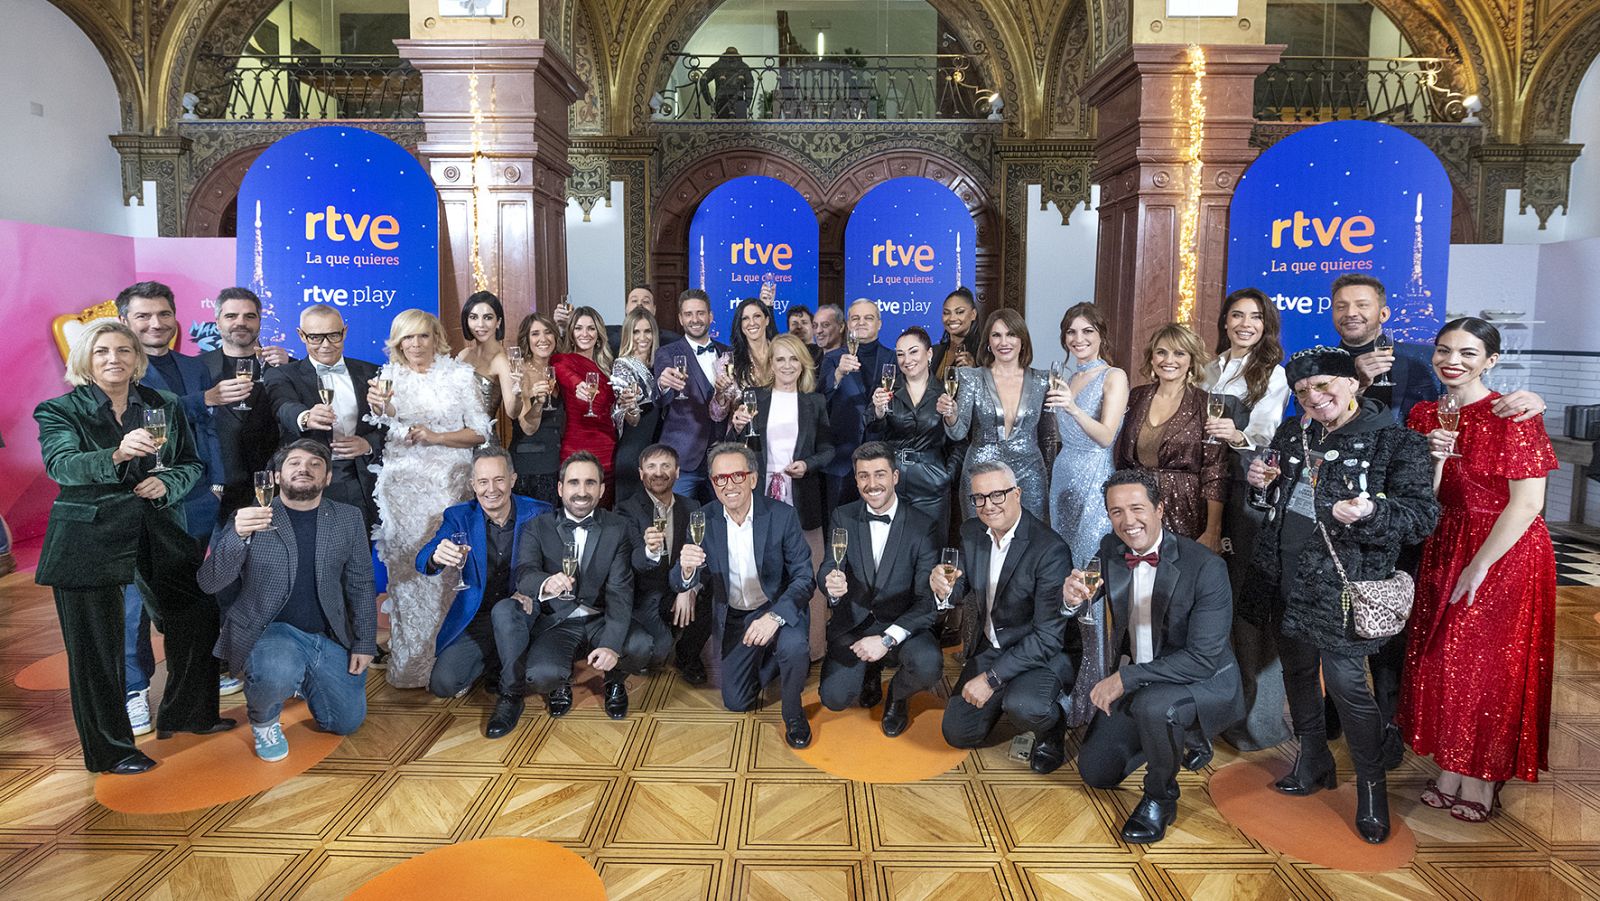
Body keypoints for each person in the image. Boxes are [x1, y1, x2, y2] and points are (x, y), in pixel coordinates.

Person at [1242, 346, 1439, 844]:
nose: (1313, 396)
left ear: (1354, 383)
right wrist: (1260, 485)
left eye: (1324, 385)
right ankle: (1313, 758)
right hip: (1282, 571)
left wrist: (1372, 513)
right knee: (1298, 671)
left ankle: (1372, 788)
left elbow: (1422, 518)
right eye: (1303, 391)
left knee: (1349, 686)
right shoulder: (1293, 432)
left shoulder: (1397, 442)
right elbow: (1275, 500)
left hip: (1342, 584)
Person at [33, 320, 229, 774]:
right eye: (102, 351)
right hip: (90, 536)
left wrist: (167, 484)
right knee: (97, 648)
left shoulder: (164, 404)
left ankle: (189, 715)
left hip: (156, 526)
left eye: (123, 350)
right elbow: (62, 466)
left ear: (137, 358)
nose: (113, 359)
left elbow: (188, 463)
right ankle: (111, 751)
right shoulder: (60, 409)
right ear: (85, 359)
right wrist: (118, 455)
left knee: (197, 612)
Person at [1400, 318, 1558, 822]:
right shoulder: (1425, 415)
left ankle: (1483, 779)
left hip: (1504, 551)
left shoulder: (1514, 415)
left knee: (1487, 667)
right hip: (1444, 542)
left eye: (1468, 353)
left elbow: (1529, 503)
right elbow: (1422, 498)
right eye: (1445, 350)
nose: (1454, 361)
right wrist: (1435, 463)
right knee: (1442, 660)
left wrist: (1480, 565)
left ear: (1490, 360)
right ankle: (1451, 768)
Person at [1070, 470, 1245, 844]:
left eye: (1137, 508)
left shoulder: (1207, 568)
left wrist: (1123, 678)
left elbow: (1202, 659)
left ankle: (1160, 798)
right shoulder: (1109, 549)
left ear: (1160, 508)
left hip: (1202, 678)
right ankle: (1180, 739)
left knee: (1154, 707)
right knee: (1096, 772)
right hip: (1146, 676)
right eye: (1116, 512)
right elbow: (1087, 588)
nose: (1128, 521)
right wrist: (1071, 597)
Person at [198, 440, 376, 762]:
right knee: (277, 667)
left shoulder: (348, 518)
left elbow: (361, 584)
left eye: (315, 464)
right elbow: (210, 582)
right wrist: (236, 537)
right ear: (278, 476)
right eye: (294, 463)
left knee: (346, 722)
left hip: (326, 637)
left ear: (328, 478)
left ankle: (304, 677)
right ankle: (265, 720)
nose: (304, 469)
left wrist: (364, 642)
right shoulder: (249, 517)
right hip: (270, 633)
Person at [117, 281, 233, 725]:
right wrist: (197, 401)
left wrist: (219, 481)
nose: (155, 323)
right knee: (134, 602)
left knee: (192, 598)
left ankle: (192, 682)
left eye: (163, 314)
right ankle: (134, 689)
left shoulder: (193, 365)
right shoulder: (117, 366)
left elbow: (209, 429)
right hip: (140, 500)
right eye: (144, 315)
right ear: (125, 320)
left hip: (198, 497)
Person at [365, 310, 491, 689]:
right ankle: (410, 665)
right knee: (407, 576)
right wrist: (381, 408)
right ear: (397, 342)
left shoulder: (459, 376)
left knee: (449, 572)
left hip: (449, 488)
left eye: (422, 336)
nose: (415, 345)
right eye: (407, 338)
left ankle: (452, 662)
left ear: (436, 337)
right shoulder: (387, 377)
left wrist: (437, 437)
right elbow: (382, 421)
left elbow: (480, 433)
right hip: (402, 492)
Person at [933, 461, 1079, 774]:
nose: (988, 505)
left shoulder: (1050, 549)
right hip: (992, 646)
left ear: (1017, 494)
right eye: (980, 498)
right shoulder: (972, 532)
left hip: (1041, 653)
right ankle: (1004, 698)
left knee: (1025, 706)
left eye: (997, 495)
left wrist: (991, 679)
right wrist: (943, 588)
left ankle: (1051, 728)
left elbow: (1048, 638)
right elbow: (960, 587)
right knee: (957, 732)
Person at [674, 443, 817, 748]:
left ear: (753, 479)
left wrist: (774, 618)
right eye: (720, 478)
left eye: (737, 475)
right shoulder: (703, 519)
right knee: (737, 702)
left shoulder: (782, 516)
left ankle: (793, 713)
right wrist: (686, 572)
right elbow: (683, 578)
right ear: (712, 484)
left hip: (777, 610)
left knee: (793, 649)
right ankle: (769, 660)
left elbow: (805, 579)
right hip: (736, 616)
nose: (729, 485)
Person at [1203, 288, 1292, 752]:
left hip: (1246, 488)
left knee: (1247, 604)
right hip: (1207, 485)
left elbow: (1265, 435)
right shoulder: (1209, 367)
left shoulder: (1272, 373)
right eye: (1236, 315)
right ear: (1224, 321)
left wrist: (1234, 432)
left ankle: (1256, 722)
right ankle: (1213, 707)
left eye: (1254, 317)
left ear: (1265, 324)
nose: (1244, 324)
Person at [503, 451, 648, 729]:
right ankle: (560, 684)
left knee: (641, 645)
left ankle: (614, 681)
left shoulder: (617, 528)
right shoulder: (537, 526)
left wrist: (611, 645)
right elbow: (524, 574)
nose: (582, 491)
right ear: (560, 488)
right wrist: (546, 582)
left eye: (590, 483)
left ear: (602, 489)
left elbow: (620, 590)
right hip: (559, 621)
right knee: (541, 675)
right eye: (574, 483)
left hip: (600, 617)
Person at [415, 446, 552, 720]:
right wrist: (436, 555)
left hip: (523, 610)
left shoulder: (540, 513)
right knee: (443, 683)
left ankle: (510, 695)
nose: (492, 489)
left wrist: (532, 590)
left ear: (512, 479)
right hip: (480, 614)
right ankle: (498, 660)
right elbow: (422, 560)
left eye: (499, 480)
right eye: (483, 481)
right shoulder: (458, 516)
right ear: (472, 485)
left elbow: (556, 566)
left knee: (506, 613)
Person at [816, 443, 941, 736]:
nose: (872, 484)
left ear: (895, 476)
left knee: (928, 665)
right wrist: (830, 586)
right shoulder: (842, 516)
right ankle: (868, 673)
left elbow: (927, 601)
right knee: (834, 698)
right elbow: (827, 568)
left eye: (880, 474)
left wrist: (885, 640)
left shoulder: (923, 526)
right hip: (854, 623)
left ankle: (897, 696)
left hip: (901, 623)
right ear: (856, 480)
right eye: (863, 476)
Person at [1044, 303, 1128, 727]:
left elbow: (1106, 436)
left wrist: (1073, 408)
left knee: (1090, 586)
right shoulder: (1066, 375)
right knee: (1063, 582)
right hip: (1063, 479)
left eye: (1087, 331)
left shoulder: (1114, 376)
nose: (1078, 339)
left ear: (1101, 335)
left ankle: (1090, 699)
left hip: (1096, 481)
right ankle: (1062, 681)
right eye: (1071, 332)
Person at [264, 304, 386, 529]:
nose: (326, 345)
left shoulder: (374, 372)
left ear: (345, 332)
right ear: (301, 335)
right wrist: (305, 417)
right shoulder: (282, 374)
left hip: (360, 480)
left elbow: (391, 426)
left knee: (357, 556)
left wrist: (368, 444)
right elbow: (282, 405)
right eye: (316, 337)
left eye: (333, 335)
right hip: (306, 480)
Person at [1113, 323, 1227, 551]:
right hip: (1138, 506)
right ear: (1152, 358)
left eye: (1179, 353)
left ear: (1191, 360)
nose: (1169, 360)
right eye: (1161, 352)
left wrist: (1213, 529)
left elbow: (1215, 470)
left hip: (1185, 507)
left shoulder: (1206, 403)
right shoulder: (1136, 396)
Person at [941, 308, 1051, 519]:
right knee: (980, 541)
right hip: (981, 472)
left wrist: (1049, 474)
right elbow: (957, 433)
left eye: (1011, 334)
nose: (1004, 342)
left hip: (1030, 473)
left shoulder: (1043, 380)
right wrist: (951, 414)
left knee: (1031, 542)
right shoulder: (970, 377)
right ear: (988, 342)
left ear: (1022, 340)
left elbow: (1048, 437)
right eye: (996, 335)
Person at [201, 286, 291, 525]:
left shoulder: (285, 365)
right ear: (217, 321)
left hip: (273, 489)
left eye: (249, 316)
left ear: (260, 321)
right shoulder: (195, 368)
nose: (241, 322)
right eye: (231, 316)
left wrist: (291, 365)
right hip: (216, 492)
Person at [618, 444, 708, 681]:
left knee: (715, 590)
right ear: (641, 473)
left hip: (677, 588)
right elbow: (635, 562)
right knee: (657, 652)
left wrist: (689, 587)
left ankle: (688, 656)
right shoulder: (626, 510)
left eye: (666, 466)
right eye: (651, 467)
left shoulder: (692, 507)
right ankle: (664, 636)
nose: (658, 473)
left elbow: (699, 555)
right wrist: (649, 550)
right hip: (645, 594)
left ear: (677, 472)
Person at [729, 334, 834, 531]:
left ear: (803, 364)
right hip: (758, 492)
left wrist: (807, 464)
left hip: (801, 495)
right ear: (771, 364)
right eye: (780, 359)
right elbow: (734, 447)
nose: (788, 365)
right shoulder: (753, 397)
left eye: (794, 358)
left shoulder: (816, 402)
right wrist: (736, 428)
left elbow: (828, 450)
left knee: (803, 558)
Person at [866, 327, 956, 535]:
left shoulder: (945, 392)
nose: (907, 360)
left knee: (930, 548)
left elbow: (958, 441)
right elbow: (872, 432)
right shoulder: (886, 390)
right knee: (891, 547)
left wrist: (946, 474)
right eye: (900, 354)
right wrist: (878, 412)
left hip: (931, 482)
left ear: (929, 354)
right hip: (892, 480)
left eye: (913, 351)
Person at [654, 290, 731, 500]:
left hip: (722, 457)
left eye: (700, 313)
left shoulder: (728, 353)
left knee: (720, 523)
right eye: (688, 314)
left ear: (710, 316)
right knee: (678, 521)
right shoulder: (666, 353)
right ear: (680, 318)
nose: (695, 319)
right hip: (683, 458)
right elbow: (659, 399)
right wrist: (663, 384)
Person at [821, 300, 892, 515]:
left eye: (868, 318)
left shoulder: (894, 358)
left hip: (880, 461)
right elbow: (818, 403)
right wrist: (838, 375)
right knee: (836, 528)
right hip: (840, 462)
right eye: (855, 318)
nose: (862, 323)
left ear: (879, 323)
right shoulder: (832, 359)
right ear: (847, 324)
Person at [552, 306, 619, 487]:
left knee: (604, 511)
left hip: (607, 449)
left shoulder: (608, 367)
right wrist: (578, 385)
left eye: (591, 328)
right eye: (578, 328)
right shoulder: (562, 360)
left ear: (598, 334)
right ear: (571, 333)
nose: (585, 333)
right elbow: (563, 373)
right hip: (575, 447)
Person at [510, 312, 565, 506]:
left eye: (548, 332)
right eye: (535, 334)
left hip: (558, 464)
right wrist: (538, 402)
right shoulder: (520, 372)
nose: (543, 339)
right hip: (530, 467)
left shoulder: (560, 368)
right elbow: (527, 427)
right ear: (527, 339)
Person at [611, 309, 662, 506]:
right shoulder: (622, 365)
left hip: (656, 448)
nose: (642, 337)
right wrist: (630, 407)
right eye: (636, 332)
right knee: (631, 512)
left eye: (647, 331)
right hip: (633, 451)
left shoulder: (660, 363)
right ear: (628, 335)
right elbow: (631, 418)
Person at [457, 291, 522, 433]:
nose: (480, 324)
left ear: (498, 322)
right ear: (466, 321)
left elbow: (512, 412)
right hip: (457, 441)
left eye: (487, 317)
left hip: (483, 444)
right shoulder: (463, 355)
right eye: (474, 317)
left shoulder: (500, 360)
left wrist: (518, 395)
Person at [607, 286, 680, 354]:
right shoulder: (607, 340)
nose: (639, 304)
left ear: (654, 309)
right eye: (634, 300)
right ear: (626, 308)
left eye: (645, 301)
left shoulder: (673, 342)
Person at [931, 287, 981, 380]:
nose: (952, 318)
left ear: (973, 314)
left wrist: (974, 372)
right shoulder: (935, 351)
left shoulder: (982, 353)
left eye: (959, 312)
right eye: (946, 313)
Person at [728, 297, 778, 390]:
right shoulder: (732, 361)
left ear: (767, 320)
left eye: (757, 316)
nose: (752, 323)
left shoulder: (783, 352)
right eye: (745, 318)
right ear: (740, 324)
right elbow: (727, 400)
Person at [700, 46, 753, 118]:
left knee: (721, 127)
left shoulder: (717, 65)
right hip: (738, 101)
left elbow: (703, 80)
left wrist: (710, 101)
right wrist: (748, 101)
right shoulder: (743, 66)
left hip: (721, 101)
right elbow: (750, 83)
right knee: (741, 127)